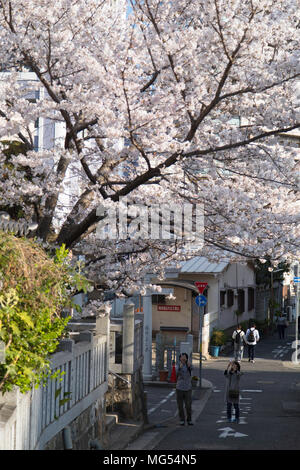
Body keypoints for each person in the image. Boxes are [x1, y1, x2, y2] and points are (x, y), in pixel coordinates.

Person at [176, 353, 193, 426]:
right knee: (180, 405)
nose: (183, 359)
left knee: (188, 405)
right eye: (182, 357)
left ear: (186, 358)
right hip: (179, 388)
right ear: (179, 359)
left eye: (184, 357)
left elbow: (192, 370)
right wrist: (180, 368)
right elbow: (176, 374)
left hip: (188, 388)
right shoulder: (178, 366)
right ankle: (182, 419)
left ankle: (189, 419)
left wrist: (189, 366)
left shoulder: (189, 365)